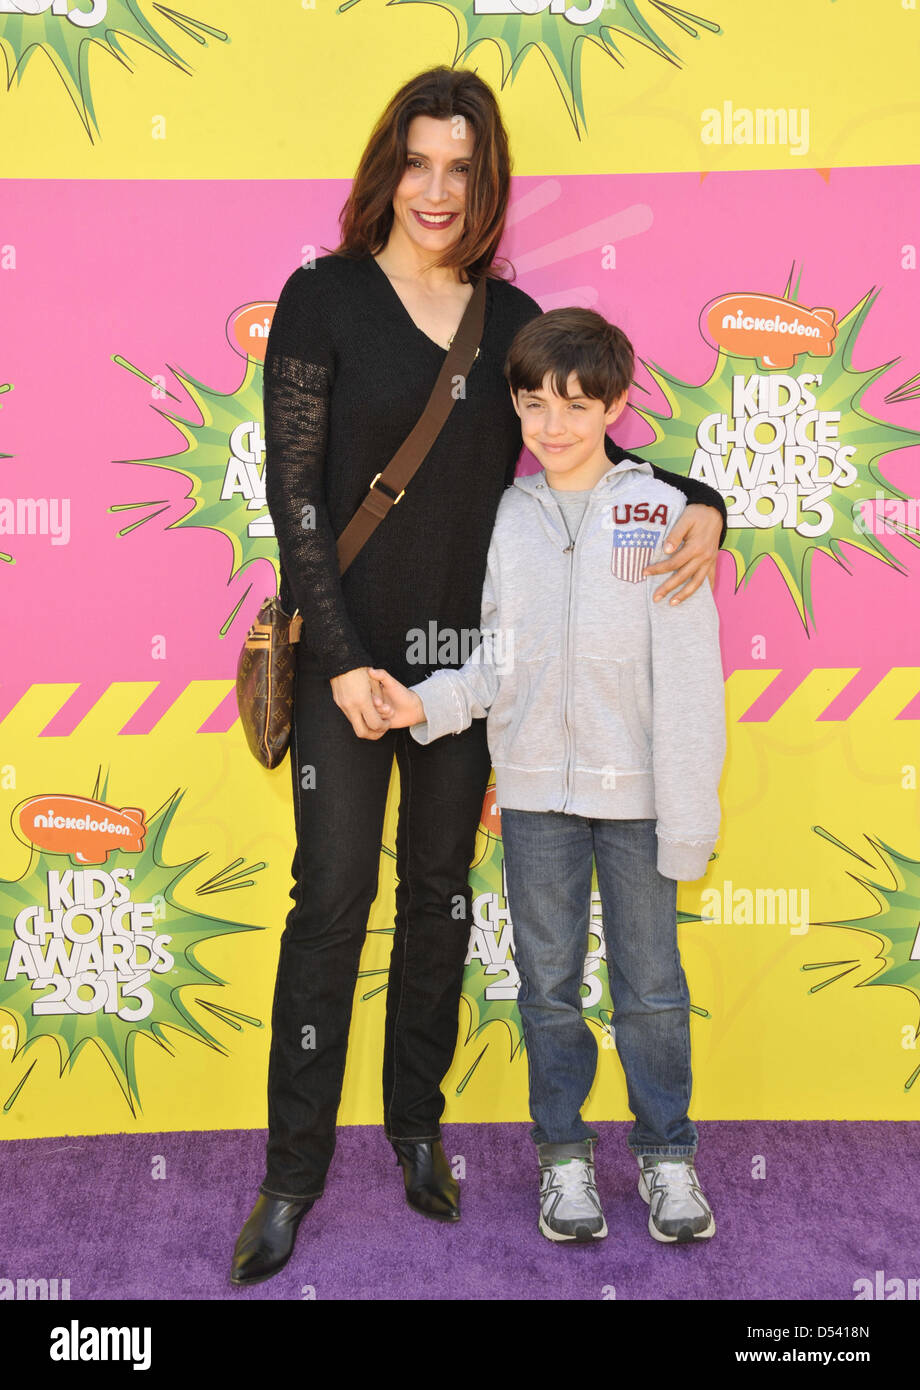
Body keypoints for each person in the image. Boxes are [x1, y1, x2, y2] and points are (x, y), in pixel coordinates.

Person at [231, 66, 727, 1286]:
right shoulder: (319, 299)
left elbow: (588, 442)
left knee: (442, 895)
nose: (436, 189)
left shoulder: (511, 323)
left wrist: (705, 503)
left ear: (484, 176)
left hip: (465, 675)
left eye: (459, 165)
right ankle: (291, 1173)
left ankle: (415, 1129)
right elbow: (295, 502)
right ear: (384, 167)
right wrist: (338, 660)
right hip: (346, 663)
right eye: (416, 161)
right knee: (330, 905)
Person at [370, 306, 726, 1245]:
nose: (553, 426)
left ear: (614, 403)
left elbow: (691, 684)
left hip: (643, 802)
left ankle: (668, 1157)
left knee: (651, 988)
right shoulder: (507, 518)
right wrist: (426, 703)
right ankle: (562, 1159)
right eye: (533, 406)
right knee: (548, 988)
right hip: (532, 800)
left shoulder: (665, 515)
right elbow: (496, 662)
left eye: (574, 405)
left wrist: (689, 816)